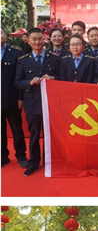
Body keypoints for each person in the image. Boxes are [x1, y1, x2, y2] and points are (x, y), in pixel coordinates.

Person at [14, 27, 60, 177]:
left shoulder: (54, 58)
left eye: (40, 38)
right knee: (34, 134)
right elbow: (17, 82)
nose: (37, 42)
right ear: (28, 40)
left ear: (44, 40)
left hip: (51, 103)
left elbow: (61, 77)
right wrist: (29, 82)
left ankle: (49, 161)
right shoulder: (23, 60)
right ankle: (33, 162)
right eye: (34, 39)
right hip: (32, 103)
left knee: (50, 134)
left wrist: (53, 78)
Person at [1, 28, 27, 169]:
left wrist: (20, 98)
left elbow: (21, 77)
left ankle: (21, 155)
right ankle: (3, 156)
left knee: (17, 129)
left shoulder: (16, 52)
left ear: (5, 35)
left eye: (0, 33)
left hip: (12, 99)